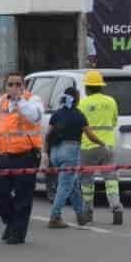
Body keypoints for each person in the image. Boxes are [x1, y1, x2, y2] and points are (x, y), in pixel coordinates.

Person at [0, 71, 43, 244]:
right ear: (5, 86)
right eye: (11, 84)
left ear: (23, 86)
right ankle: (11, 223)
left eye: (18, 84)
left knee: (23, 197)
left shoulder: (32, 100)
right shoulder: (1, 101)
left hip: (26, 156)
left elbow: (35, 116)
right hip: (4, 155)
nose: (14, 88)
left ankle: (17, 233)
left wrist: (19, 101)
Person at [46, 87, 105, 228]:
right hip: (70, 152)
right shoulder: (79, 115)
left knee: (72, 184)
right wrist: (101, 143)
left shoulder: (57, 114)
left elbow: (48, 135)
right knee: (65, 186)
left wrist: (44, 153)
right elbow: (89, 135)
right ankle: (55, 216)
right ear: (76, 99)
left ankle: (81, 215)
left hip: (55, 152)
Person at [78, 70, 123, 225]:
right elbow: (114, 121)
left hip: (88, 146)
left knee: (87, 181)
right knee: (111, 179)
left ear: (87, 88)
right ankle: (116, 207)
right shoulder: (111, 101)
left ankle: (87, 211)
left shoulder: (83, 103)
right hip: (108, 146)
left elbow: (80, 124)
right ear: (100, 87)